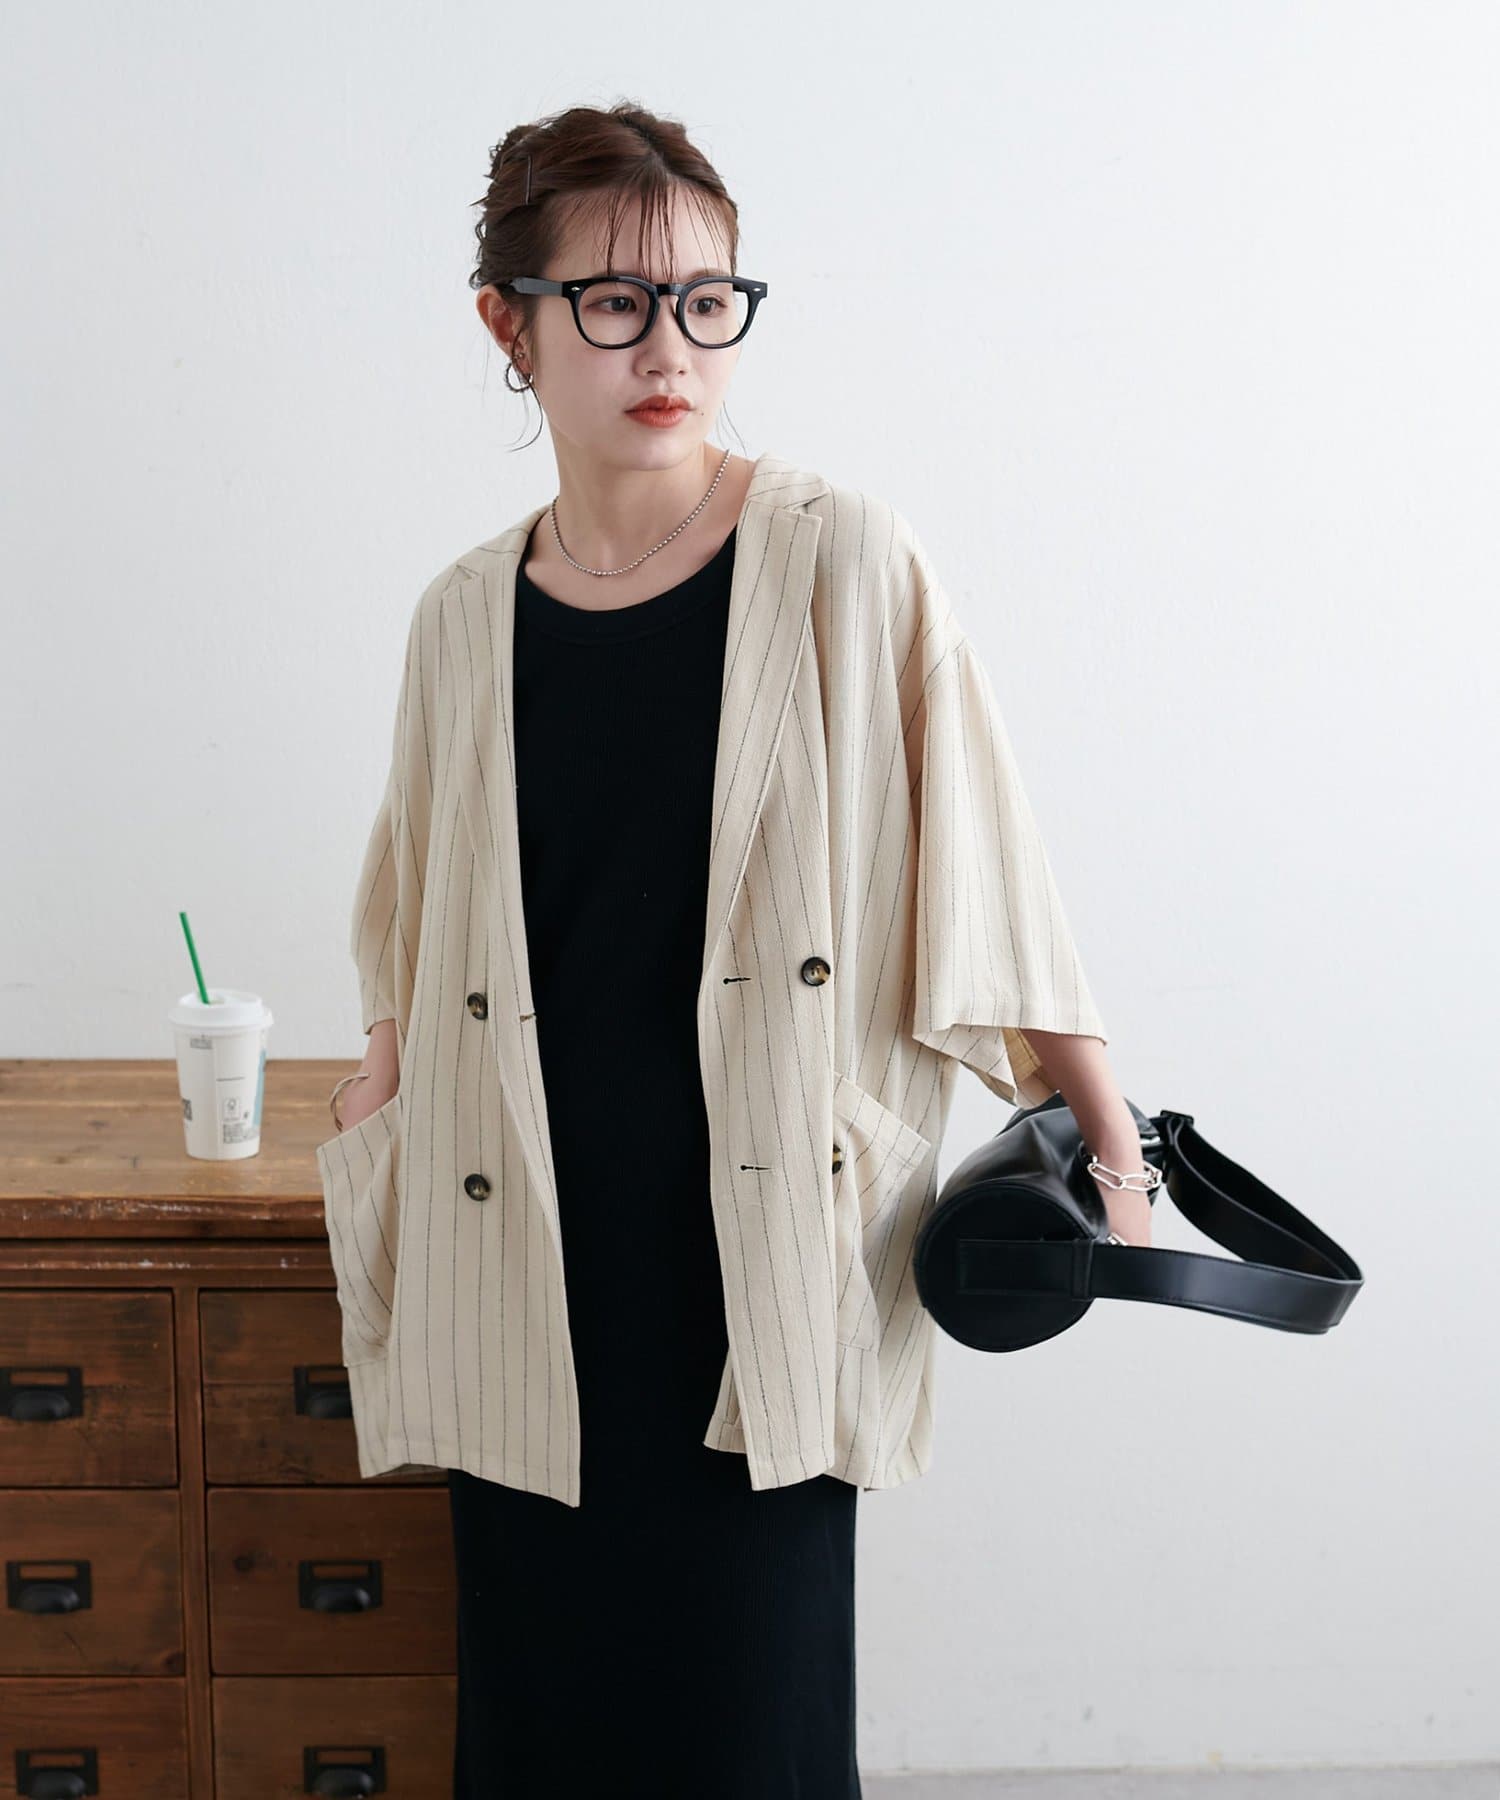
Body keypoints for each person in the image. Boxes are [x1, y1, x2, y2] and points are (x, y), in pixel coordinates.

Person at [318, 98, 1152, 1800]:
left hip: (751, 1244)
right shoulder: (462, 613)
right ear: (508, 324)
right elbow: (415, 900)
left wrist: (1112, 1144)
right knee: (540, 1727)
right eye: (614, 301)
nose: (669, 348)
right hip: (517, 1231)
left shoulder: (839, 556)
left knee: (749, 1731)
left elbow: (985, 853)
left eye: (707, 301)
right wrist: (380, 1087)